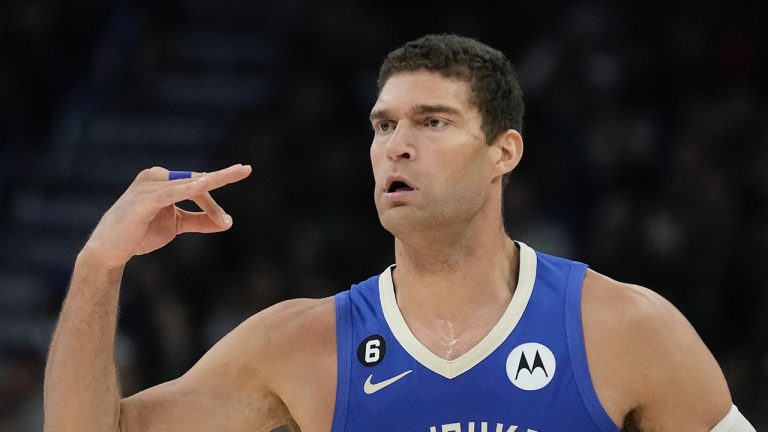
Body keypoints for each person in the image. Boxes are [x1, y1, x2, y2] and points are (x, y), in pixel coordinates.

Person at [44, 34, 755, 432]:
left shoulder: (623, 329)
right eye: (384, 125)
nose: (396, 145)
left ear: (504, 151)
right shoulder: (300, 347)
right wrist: (98, 265)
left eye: (432, 121)